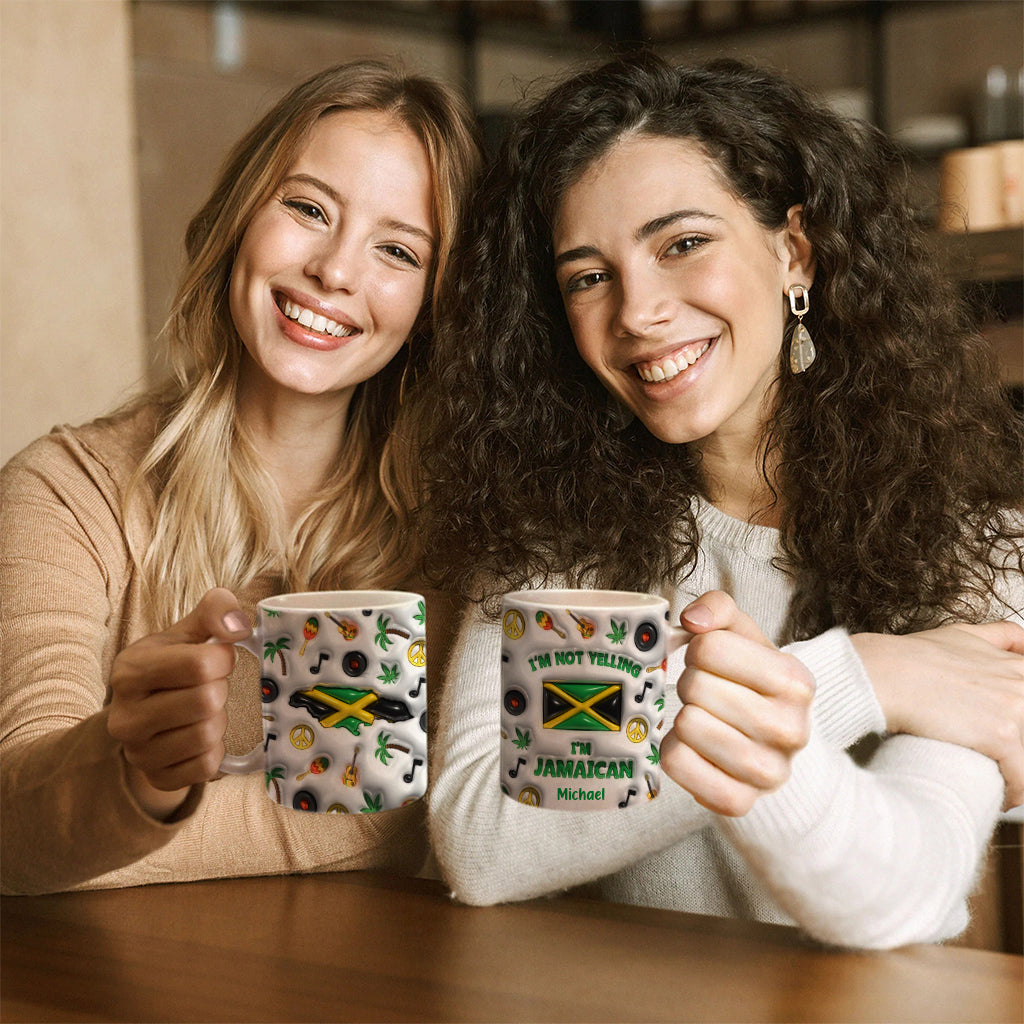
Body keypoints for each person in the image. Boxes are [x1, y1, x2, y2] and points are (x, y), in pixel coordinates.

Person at [415, 53, 1024, 949]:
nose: (637, 311)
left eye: (682, 244)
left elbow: (901, 891)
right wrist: (858, 677)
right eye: (588, 276)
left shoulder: (977, 545)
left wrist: (781, 692)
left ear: (794, 252)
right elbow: (481, 844)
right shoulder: (555, 540)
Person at [1, 59, 482, 895]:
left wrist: (122, 832)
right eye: (307, 208)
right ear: (238, 220)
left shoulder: (458, 531)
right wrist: (138, 776)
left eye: (397, 250)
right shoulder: (65, 491)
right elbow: (16, 825)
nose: (335, 270)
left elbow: (405, 810)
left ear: (434, 304)